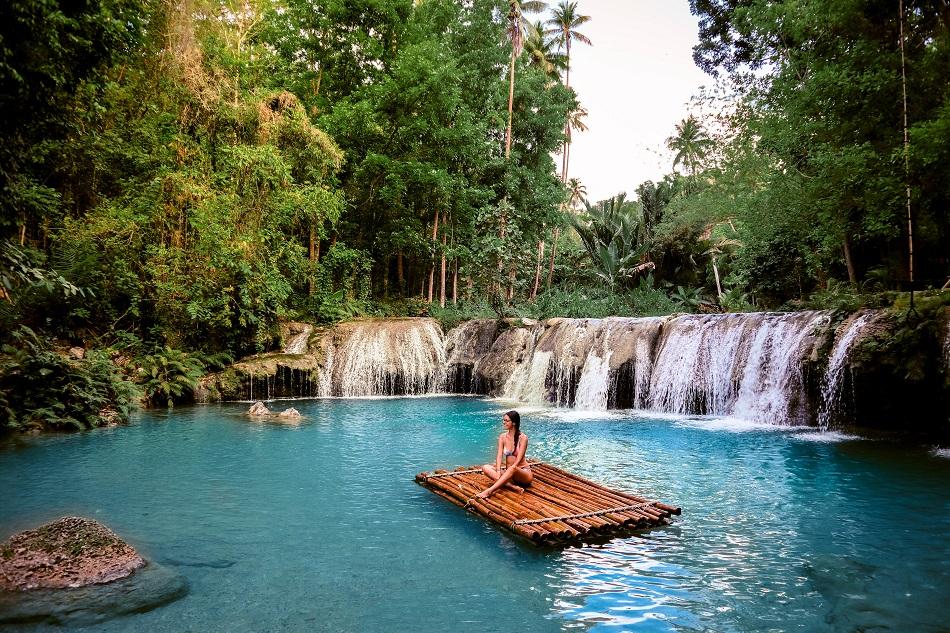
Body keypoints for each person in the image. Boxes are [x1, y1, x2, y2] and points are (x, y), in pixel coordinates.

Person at [474, 410, 533, 500]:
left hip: (522, 474)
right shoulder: (502, 437)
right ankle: (512, 487)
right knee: (485, 467)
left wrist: (509, 471)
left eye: (506, 420)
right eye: (503, 420)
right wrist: (498, 471)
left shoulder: (523, 438)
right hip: (509, 474)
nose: (503, 422)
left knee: (512, 467)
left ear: (514, 423)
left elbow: (518, 460)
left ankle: (489, 491)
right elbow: (499, 456)